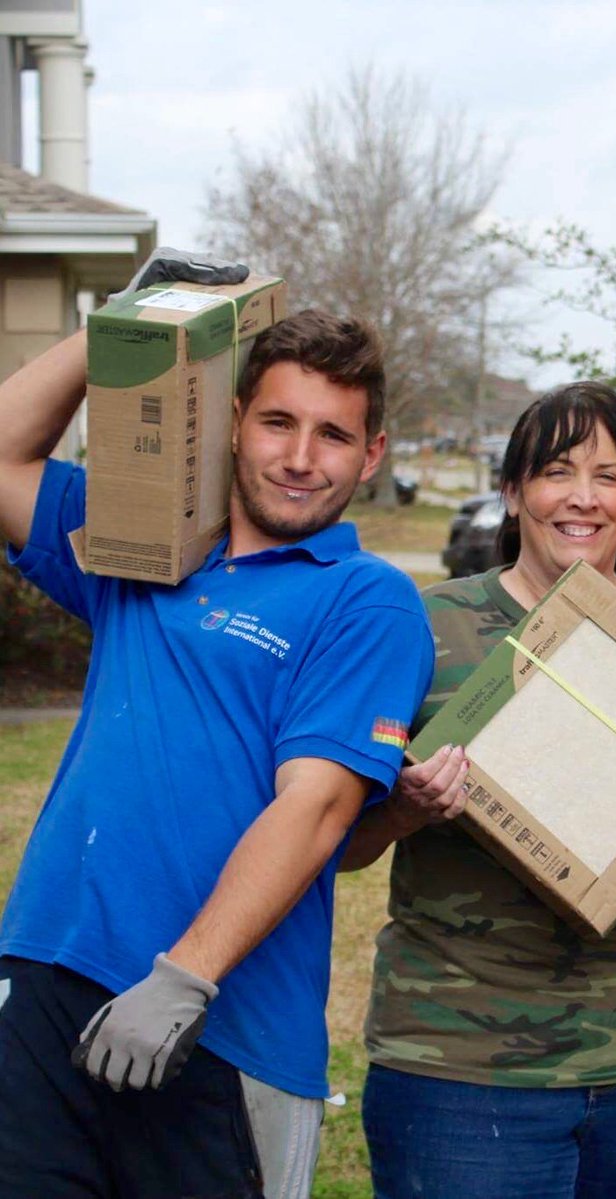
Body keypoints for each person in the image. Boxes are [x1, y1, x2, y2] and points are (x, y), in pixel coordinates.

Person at [0, 250, 434, 1199]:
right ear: (234, 420)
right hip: (47, 973)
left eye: (332, 434)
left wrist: (186, 977)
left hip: (216, 1023)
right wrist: (121, 327)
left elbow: (317, 807)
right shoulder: (139, 546)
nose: (298, 456)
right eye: (278, 420)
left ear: (372, 455)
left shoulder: (367, 600)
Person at [341, 381, 616, 1199]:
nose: (582, 497)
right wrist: (407, 806)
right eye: (555, 471)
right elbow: (339, 844)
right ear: (512, 492)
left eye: (609, 476)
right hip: (462, 1069)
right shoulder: (422, 627)